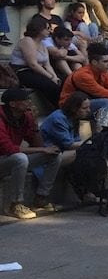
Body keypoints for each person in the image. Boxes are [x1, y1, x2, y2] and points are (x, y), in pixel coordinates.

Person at [0, 88, 62, 219]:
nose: (30, 102)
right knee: (20, 158)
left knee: (54, 155)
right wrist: (43, 150)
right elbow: (9, 148)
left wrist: (34, 124)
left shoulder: (25, 116)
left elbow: (38, 144)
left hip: (11, 159)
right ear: (13, 104)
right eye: (25, 100)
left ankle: (41, 197)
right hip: (4, 159)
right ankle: (15, 204)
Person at [60, 43, 108, 116]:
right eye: (105, 62)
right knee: (106, 102)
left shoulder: (103, 72)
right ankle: (101, 127)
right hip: (69, 105)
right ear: (94, 62)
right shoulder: (83, 75)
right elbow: (101, 92)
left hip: (87, 102)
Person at [11, 17, 63, 106]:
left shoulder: (42, 44)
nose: (50, 31)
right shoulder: (27, 41)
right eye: (47, 28)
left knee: (61, 81)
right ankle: (60, 108)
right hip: (22, 72)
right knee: (49, 85)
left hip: (37, 71)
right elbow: (33, 64)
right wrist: (50, 77)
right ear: (39, 28)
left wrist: (54, 77)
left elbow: (47, 65)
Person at [40, 91, 91, 166]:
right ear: (74, 108)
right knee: (85, 151)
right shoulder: (58, 119)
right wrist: (90, 143)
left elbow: (82, 138)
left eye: (89, 107)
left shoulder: (77, 117)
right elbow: (69, 145)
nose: (88, 110)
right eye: (84, 108)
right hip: (49, 154)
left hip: (63, 150)